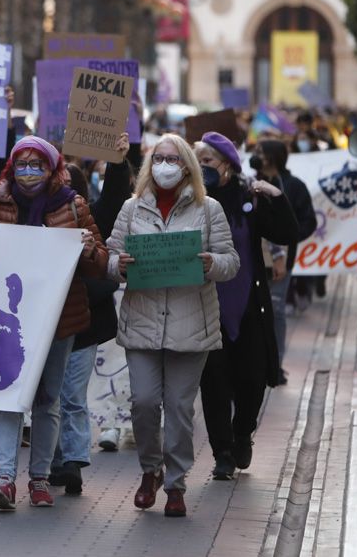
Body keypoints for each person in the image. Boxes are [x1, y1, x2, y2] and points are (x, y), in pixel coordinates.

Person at [106, 133, 240, 518]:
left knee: (180, 408)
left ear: (187, 166)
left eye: (174, 158)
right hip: (143, 323)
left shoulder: (208, 208)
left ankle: (175, 483)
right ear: (150, 165)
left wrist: (211, 263)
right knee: (144, 403)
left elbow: (231, 261)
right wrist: (120, 266)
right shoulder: (132, 209)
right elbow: (111, 258)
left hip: (191, 325)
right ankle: (151, 469)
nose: (166, 165)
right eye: (159, 158)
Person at [0, 135, 107, 510]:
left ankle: (40, 479)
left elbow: (98, 263)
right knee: (11, 398)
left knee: (48, 401)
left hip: (57, 320)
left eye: (37, 164)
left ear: (52, 169)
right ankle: (4, 479)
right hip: (8, 320)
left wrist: (87, 249)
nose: (28, 171)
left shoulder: (74, 206)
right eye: (22, 163)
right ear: (11, 167)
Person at [195, 132, 299, 480]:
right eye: (197, 161)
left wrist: (275, 195)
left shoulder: (247, 197)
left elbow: (286, 232)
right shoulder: (191, 199)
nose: (201, 167)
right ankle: (222, 452)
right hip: (207, 306)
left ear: (226, 164)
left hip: (248, 303)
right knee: (215, 383)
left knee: (252, 380)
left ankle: (243, 434)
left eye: (207, 161)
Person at [49, 137, 133, 494]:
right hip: (46, 324)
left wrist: (116, 160)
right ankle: (50, 460)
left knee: (71, 396)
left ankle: (73, 462)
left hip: (83, 323)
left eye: (70, 183)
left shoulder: (91, 216)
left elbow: (114, 197)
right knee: (48, 398)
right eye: (59, 182)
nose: (64, 187)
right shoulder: (36, 218)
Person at [249, 138, 317, 383]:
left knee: (276, 310)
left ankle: (275, 365)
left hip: (281, 264)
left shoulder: (294, 186)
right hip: (254, 260)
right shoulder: (249, 184)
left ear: (273, 157)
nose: (255, 155)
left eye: (260, 152)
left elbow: (309, 221)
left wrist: (289, 237)